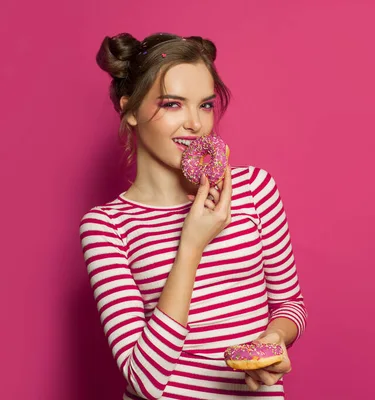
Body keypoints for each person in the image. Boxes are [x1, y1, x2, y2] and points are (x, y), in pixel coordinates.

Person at [78, 32, 307, 400]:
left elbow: (289, 305)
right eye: (172, 104)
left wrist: (274, 339)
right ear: (131, 109)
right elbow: (144, 381)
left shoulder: (253, 189)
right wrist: (191, 245)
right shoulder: (107, 227)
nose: (196, 124)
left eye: (204, 105)